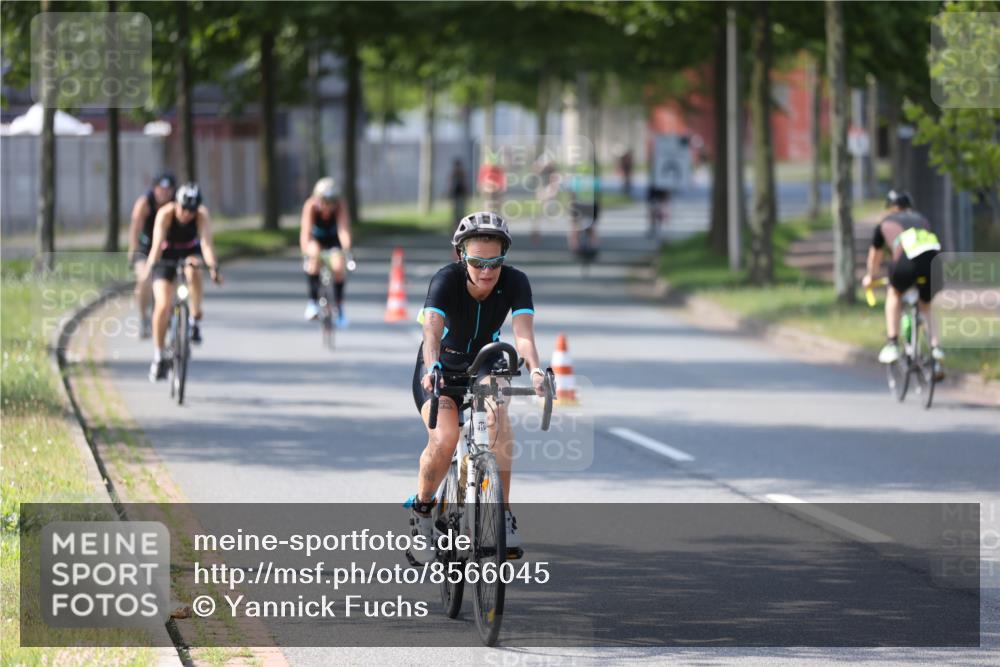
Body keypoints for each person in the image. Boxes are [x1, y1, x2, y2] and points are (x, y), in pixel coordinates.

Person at [409, 211, 546, 563]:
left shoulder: (516, 281)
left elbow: (524, 335)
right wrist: (432, 367)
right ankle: (423, 514)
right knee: (444, 439)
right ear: (461, 256)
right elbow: (431, 332)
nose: (487, 272)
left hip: (487, 359)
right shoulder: (445, 279)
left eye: (495, 263)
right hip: (442, 363)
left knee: (497, 418)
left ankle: (501, 514)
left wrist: (535, 371)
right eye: (477, 262)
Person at [140, 183, 222, 382]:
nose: (187, 214)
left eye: (191, 211)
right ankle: (159, 356)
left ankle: (194, 319)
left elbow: (206, 244)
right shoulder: (165, 214)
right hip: (166, 256)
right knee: (163, 304)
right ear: (176, 203)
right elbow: (157, 246)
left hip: (189, 253)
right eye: (183, 209)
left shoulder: (201, 216)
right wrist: (149, 268)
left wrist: (213, 267)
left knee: (194, 268)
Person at [861, 189, 944, 368]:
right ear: (909, 206)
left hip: (906, 263)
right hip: (933, 263)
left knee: (894, 293)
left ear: (889, 208)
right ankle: (936, 348)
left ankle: (892, 343)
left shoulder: (885, 222)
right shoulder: (922, 220)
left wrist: (870, 277)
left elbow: (875, 254)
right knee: (926, 307)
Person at [128, 171, 176, 338]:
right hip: (146, 248)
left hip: (168, 248)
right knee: (143, 279)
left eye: (168, 189)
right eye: (160, 189)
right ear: (154, 189)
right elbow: (135, 228)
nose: (164, 193)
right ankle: (143, 318)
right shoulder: (145, 203)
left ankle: (169, 312)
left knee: (172, 281)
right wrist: (133, 251)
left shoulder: (177, 204)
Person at [300, 177, 354, 325]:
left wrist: (347, 250)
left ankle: (339, 307)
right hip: (316, 239)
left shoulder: (340, 206)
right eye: (324, 202)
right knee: (314, 258)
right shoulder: (310, 206)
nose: (327, 207)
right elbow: (305, 232)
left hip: (333, 240)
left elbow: (343, 231)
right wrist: (307, 252)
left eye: (331, 202)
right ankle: (312, 303)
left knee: (337, 266)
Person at [447, 159, 469, 230]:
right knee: (455, 213)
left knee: (461, 212)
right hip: (456, 196)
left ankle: (462, 226)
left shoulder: (462, 174)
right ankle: (455, 227)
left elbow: (465, 184)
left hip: (461, 195)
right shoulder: (453, 174)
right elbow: (450, 185)